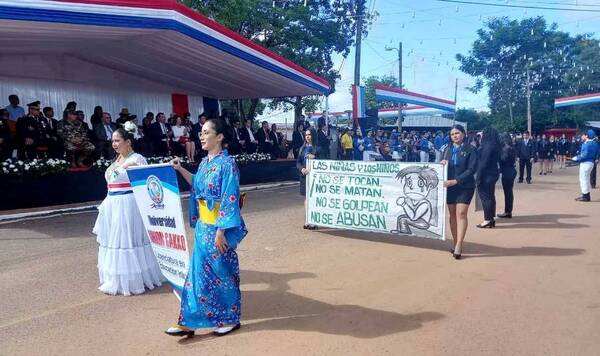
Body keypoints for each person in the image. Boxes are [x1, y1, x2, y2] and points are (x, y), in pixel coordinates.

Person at [166, 119, 247, 337]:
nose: (201, 136)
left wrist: (222, 230)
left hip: (219, 228)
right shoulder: (204, 163)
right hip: (203, 227)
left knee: (223, 273)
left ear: (219, 137)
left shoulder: (227, 164)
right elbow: (196, 184)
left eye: (206, 132)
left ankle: (230, 318)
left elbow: (230, 196)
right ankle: (189, 321)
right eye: (200, 133)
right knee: (197, 275)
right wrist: (180, 168)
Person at [92, 125, 164, 295]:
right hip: (112, 204)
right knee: (114, 242)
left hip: (128, 206)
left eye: (117, 140)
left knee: (128, 241)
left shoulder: (138, 159)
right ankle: (116, 279)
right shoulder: (116, 161)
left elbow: (146, 183)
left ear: (128, 142)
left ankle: (134, 281)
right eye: (113, 141)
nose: (114, 144)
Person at [441, 124, 477, 260]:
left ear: (463, 134)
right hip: (449, 186)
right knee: (452, 215)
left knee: (461, 213)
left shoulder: (471, 149)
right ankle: (455, 241)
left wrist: (456, 181)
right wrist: (442, 164)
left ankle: (459, 245)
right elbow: (442, 167)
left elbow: (472, 169)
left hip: (465, 186)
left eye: (457, 133)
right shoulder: (447, 150)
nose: (454, 136)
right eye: (452, 134)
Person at [476, 127, 501, 228]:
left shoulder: (487, 146)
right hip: (493, 172)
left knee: (485, 197)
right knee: (490, 196)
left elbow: (483, 163)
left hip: (486, 174)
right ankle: (491, 217)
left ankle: (488, 219)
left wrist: (478, 177)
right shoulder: (495, 145)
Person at [297, 128, 317, 230]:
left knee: (313, 198)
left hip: (315, 177)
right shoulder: (302, 149)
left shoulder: (317, 148)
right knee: (306, 198)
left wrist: (315, 157)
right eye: (306, 135)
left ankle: (314, 221)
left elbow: (324, 160)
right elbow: (298, 162)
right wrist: (302, 169)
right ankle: (307, 220)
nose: (307, 137)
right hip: (304, 176)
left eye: (309, 135)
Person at [571, 130, 599, 202]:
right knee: (586, 179)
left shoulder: (586, 144)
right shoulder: (595, 143)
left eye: (583, 135)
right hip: (591, 163)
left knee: (583, 179)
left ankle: (585, 195)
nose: (581, 136)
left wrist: (576, 158)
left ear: (586, 136)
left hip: (585, 163)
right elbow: (597, 153)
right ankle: (586, 194)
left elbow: (584, 155)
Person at [498, 133, 517, 219]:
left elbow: (504, 159)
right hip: (511, 170)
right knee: (509, 192)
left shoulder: (506, 149)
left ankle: (507, 212)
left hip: (507, 171)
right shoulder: (511, 147)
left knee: (508, 193)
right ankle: (508, 211)